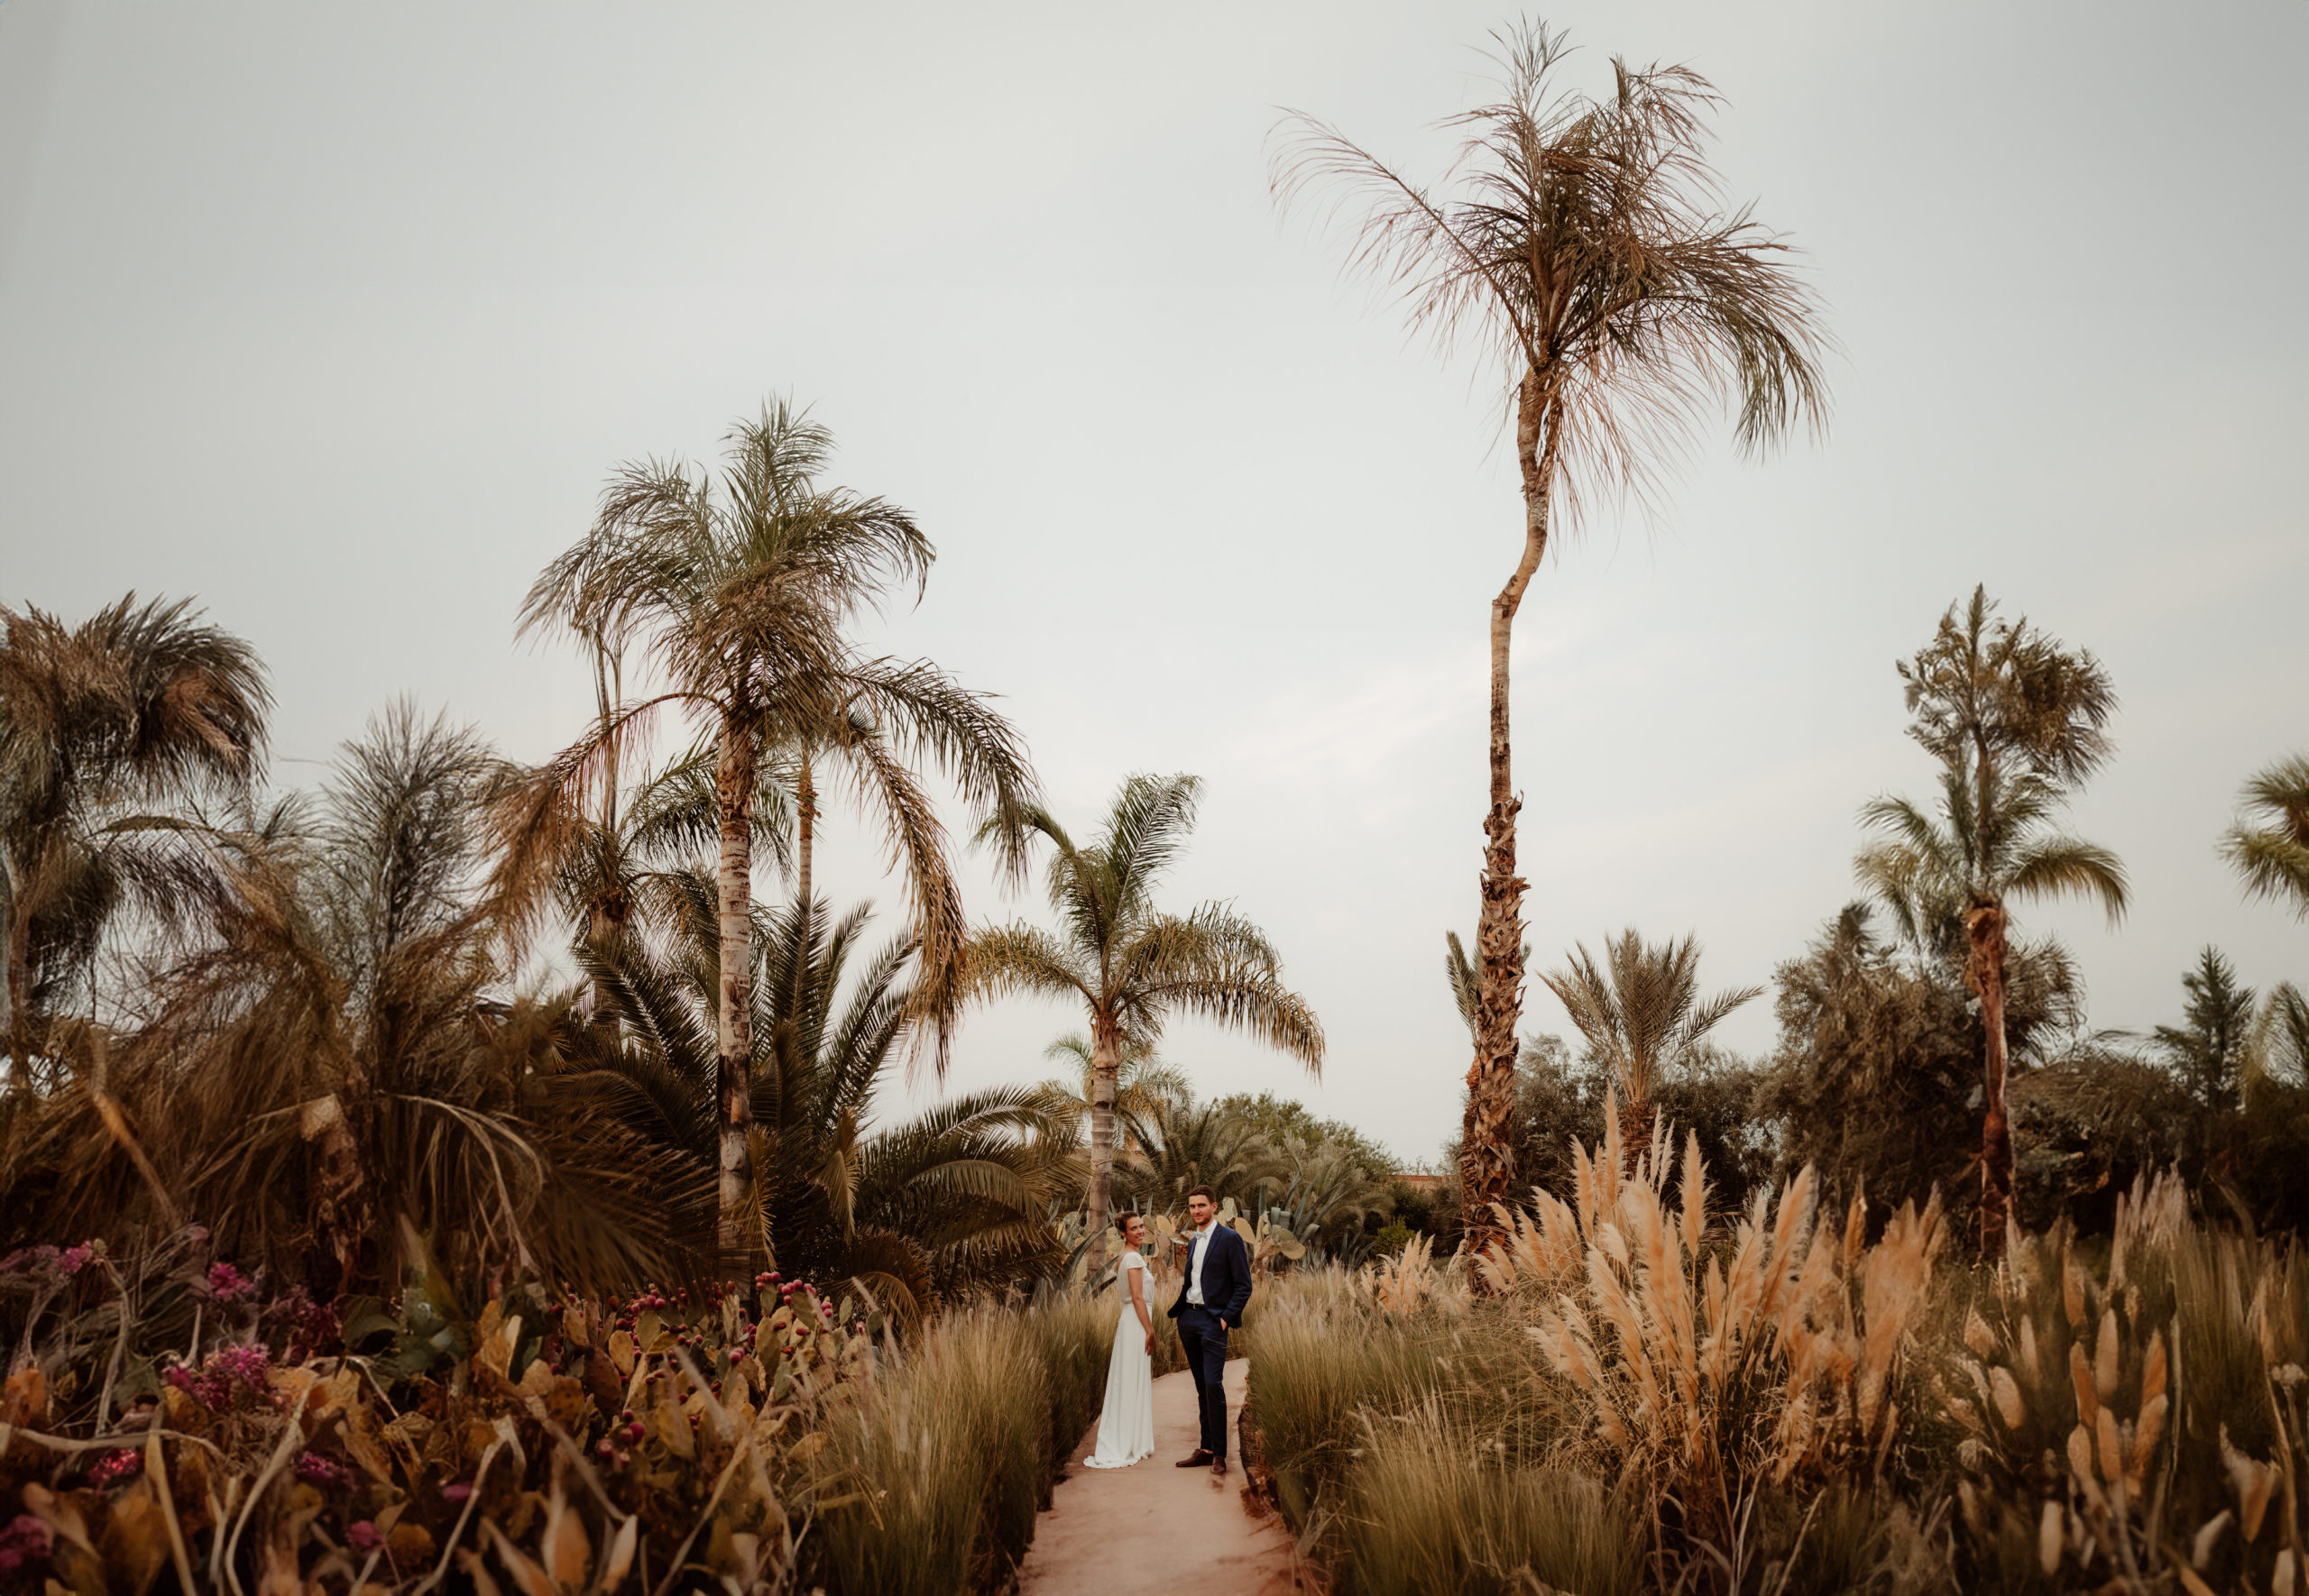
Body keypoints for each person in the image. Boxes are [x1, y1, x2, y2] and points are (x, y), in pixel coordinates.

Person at [1164, 1185, 1252, 1477]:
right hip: (1188, 1320)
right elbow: (1193, 1282)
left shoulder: (1230, 1239)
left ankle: (1220, 1455)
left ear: (1214, 1207)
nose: (1196, 1211)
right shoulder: (1192, 1242)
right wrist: (1183, 1316)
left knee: (1214, 1385)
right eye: (1191, 1207)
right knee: (1202, 1388)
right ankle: (1205, 1449)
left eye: (1201, 1205)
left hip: (1214, 1323)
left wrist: (1226, 1318)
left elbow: (1243, 1285)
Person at [1081, 1213, 1156, 1468]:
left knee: (1128, 1378)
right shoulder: (1133, 1257)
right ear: (1123, 1233)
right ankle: (1130, 1440)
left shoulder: (1124, 1256)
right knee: (1131, 1377)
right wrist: (1149, 1329)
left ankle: (1131, 1436)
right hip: (1136, 1322)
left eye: (1141, 1226)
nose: (1140, 1231)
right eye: (1133, 1228)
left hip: (1129, 1320)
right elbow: (1137, 1297)